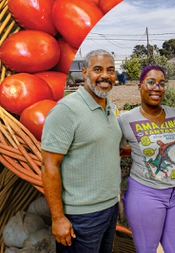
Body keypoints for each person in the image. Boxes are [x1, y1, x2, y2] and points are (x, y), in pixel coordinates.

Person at [41, 49, 121, 253]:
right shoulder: (66, 110)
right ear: (84, 73)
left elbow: (106, 147)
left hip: (110, 208)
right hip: (81, 216)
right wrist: (58, 218)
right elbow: (49, 165)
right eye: (97, 69)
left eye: (110, 70)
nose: (105, 75)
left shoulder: (109, 107)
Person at [118, 65, 175, 253]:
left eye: (162, 83)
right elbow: (113, 152)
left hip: (173, 195)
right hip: (145, 194)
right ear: (140, 86)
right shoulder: (126, 119)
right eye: (151, 82)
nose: (157, 87)